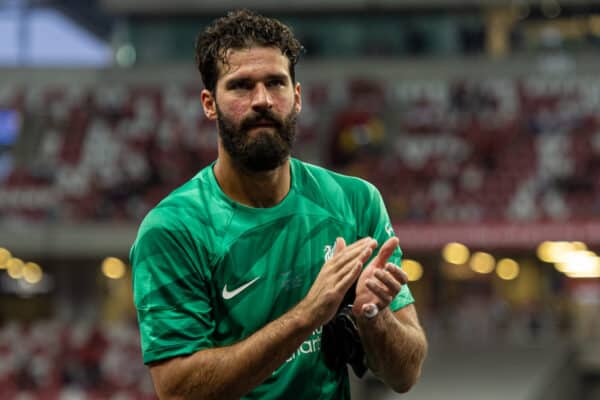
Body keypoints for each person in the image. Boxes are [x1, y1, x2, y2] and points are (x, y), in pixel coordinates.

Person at [130, 9, 427, 400]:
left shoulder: (356, 202)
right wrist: (308, 315)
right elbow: (179, 391)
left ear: (297, 96)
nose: (262, 100)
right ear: (209, 103)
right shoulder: (173, 229)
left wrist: (375, 317)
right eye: (240, 86)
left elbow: (405, 374)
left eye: (276, 83)